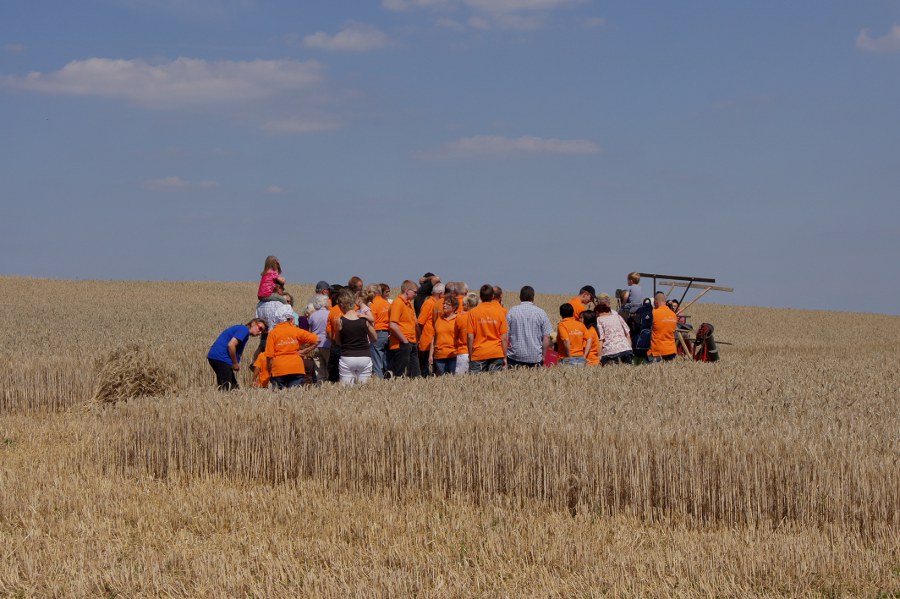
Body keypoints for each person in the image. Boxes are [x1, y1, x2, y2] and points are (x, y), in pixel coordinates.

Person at [265, 305, 319, 389]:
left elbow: (269, 356)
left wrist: (269, 370)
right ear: (290, 318)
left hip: (279, 369)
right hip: (296, 367)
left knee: (278, 397)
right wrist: (305, 351)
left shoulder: (272, 333)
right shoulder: (296, 331)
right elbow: (317, 340)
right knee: (294, 397)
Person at [207, 318, 266, 390]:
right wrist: (235, 363)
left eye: (262, 332)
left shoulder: (244, 331)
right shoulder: (244, 329)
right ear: (253, 323)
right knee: (226, 388)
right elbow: (231, 345)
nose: (260, 332)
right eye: (260, 328)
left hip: (219, 358)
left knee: (234, 388)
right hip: (221, 358)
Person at [334, 290, 377, 385]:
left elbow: (337, 341)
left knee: (347, 390)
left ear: (341, 305)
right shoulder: (364, 318)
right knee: (365, 389)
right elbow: (374, 337)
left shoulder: (340, 321)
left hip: (347, 356)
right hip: (365, 356)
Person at [506, 285, 552, 368]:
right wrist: (544, 355)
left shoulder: (512, 311)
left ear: (520, 297)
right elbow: (547, 336)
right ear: (533, 297)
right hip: (535, 357)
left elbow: (505, 335)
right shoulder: (541, 312)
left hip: (515, 356)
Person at [467, 284, 508, 373]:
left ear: (480, 297)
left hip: (478, 353)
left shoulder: (472, 313)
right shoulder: (500, 312)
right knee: (495, 385)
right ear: (492, 296)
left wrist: (471, 355)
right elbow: (504, 338)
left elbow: (470, 337)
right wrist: (504, 357)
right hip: (496, 353)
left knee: (475, 384)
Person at [389, 280, 420, 377]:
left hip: (411, 341)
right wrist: (404, 341)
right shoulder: (397, 303)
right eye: (414, 292)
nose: (416, 294)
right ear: (407, 290)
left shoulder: (409, 304)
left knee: (415, 374)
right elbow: (393, 324)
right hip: (401, 343)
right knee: (400, 373)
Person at [595, 293, 633, 365]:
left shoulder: (599, 320)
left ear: (597, 313)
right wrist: (629, 348)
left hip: (610, 351)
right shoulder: (617, 316)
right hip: (626, 349)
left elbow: (601, 339)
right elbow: (627, 334)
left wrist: (599, 355)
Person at [417, 283, 445, 376]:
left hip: (436, 342)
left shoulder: (438, 304)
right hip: (427, 342)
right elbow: (420, 322)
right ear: (440, 294)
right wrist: (421, 336)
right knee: (426, 369)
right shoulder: (429, 303)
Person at [430, 294, 459, 375]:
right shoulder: (439, 319)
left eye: (447, 304)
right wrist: (430, 355)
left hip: (453, 355)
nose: (444, 306)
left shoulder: (458, 319)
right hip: (439, 355)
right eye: (444, 304)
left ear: (454, 307)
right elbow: (434, 337)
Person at [367, 284, 391, 378]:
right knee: (386, 360)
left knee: (376, 360)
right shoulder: (387, 304)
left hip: (377, 333)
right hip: (388, 334)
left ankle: (379, 381)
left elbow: (371, 321)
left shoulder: (373, 305)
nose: (367, 294)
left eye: (369, 292)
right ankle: (388, 379)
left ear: (374, 293)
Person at [307, 294, 331, 383]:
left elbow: (310, 329)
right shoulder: (330, 314)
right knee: (328, 365)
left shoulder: (313, 315)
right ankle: (329, 385)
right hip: (327, 343)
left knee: (318, 369)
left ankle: (320, 384)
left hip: (315, 344)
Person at [648, 291, 678, 363]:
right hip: (671, 351)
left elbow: (647, 330)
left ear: (656, 302)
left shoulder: (653, 313)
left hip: (657, 351)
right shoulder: (673, 315)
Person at [454, 292, 478, 374]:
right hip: (478, 352)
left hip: (463, 352)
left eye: (463, 304)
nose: (462, 307)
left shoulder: (460, 317)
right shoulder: (479, 316)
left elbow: (455, 335)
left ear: (467, 304)